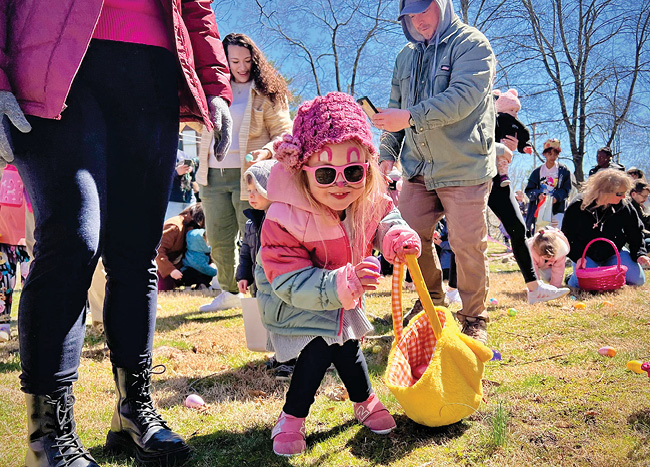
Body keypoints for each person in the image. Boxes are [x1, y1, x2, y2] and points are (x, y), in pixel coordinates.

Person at [0, 2, 233, 465]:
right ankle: (46, 435)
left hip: (152, 72)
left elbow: (197, 7)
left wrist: (215, 85)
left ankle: (133, 412)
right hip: (54, 68)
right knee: (73, 238)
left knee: (135, 252)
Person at [256, 92, 421, 456]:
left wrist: (396, 237)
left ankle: (364, 399)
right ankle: (292, 417)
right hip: (292, 297)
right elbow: (286, 276)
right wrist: (339, 283)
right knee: (320, 345)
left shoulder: (367, 197)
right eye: (327, 172)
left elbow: (385, 219)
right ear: (302, 170)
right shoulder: (284, 215)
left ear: (368, 168)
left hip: (341, 293)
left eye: (353, 171)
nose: (341, 183)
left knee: (345, 343)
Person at [373, 0, 496, 344]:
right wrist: (387, 154)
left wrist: (409, 116)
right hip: (417, 167)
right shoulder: (405, 57)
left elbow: (463, 97)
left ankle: (474, 317)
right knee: (410, 240)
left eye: (423, 10)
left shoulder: (472, 44)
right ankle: (431, 304)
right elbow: (395, 109)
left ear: (442, 5)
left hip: (464, 165)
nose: (418, 21)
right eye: (410, 15)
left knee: (467, 244)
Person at [198, 33, 293, 312]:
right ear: (224, 61)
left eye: (247, 61)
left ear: (256, 61)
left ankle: (260, 293)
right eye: (234, 61)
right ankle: (228, 292)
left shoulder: (267, 93)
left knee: (253, 236)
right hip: (212, 174)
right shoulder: (214, 91)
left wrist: (265, 153)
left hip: (250, 176)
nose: (242, 67)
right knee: (217, 237)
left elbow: (284, 133)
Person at [562, 169, 650, 288]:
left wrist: (640, 253)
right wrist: (577, 257)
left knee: (638, 280)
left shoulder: (624, 206)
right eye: (619, 193)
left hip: (614, 251)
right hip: (585, 254)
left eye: (625, 192)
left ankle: (610, 273)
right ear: (604, 191)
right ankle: (571, 278)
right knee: (585, 285)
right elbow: (568, 236)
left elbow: (634, 232)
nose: (624, 196)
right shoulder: (578, 205)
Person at [0, 165, 30, 342]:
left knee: (32, 281)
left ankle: (31, 325)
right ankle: (3, 325)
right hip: (4, 232)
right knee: (4, 283)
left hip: (29, 233)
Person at [525, 138, 572, 235]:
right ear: (545, 154)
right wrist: (538, 195)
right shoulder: (537, 172)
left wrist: (557, 197)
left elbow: (566, 189)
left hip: (558, 209)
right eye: (550, 154)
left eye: (555, 154)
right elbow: (529, 190)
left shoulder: (564, 171)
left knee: (556, 234)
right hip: (541, 208)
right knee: (541, 234)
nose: (552, 157)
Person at [156, 204, 207, 291]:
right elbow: (158, 251)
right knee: (164, 288)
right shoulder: (174, 227)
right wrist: (170, 270)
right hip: (161, 269)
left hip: (179, 266)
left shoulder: (190, 229)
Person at [493, 88, 533, 187]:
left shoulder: (516, 123)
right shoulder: (495, 118)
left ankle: (503, 176)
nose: (514, 113)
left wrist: (524, 146)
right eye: (511, 110)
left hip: (504, 151)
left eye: (516, 111)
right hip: (491, 151)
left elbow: (524, 132)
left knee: (503, 161)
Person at [165, 148, 199, 221]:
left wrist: (190, 169)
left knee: (191, 228)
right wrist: (176, 172)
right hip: (172, 201)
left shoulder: (183, 154)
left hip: (189, 200)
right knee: (171, 229)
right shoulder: (161, 154)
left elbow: (193, 178)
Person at [629, 180, 650, 250]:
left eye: (647, 196)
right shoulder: (628, 208)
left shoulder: (637, 205)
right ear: (633, 194)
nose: (646, 199)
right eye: (644, 196)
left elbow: (644, 219)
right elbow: (636, 228)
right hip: (633, 240)